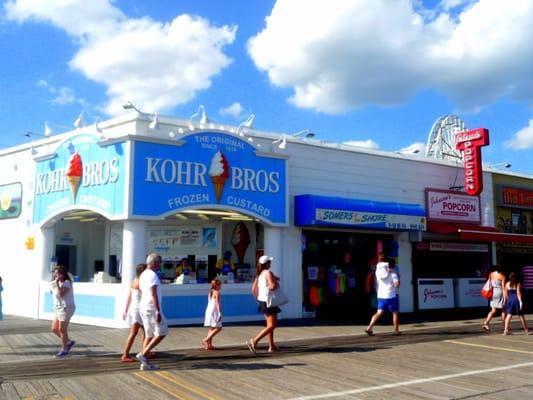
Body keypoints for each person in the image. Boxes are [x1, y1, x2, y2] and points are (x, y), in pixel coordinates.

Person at [136, 253, 168, 371]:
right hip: (151, 308)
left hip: (143, 307)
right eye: (159, 262)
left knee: (149, 335)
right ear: (155, 263)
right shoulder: (152, 275)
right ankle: (143, 354)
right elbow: (153, 293)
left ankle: (145, 363)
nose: (160, 265)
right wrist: (158, 311)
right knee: (162, 332)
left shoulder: (143, 274)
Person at [247, 255, 281, 354]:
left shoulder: (259, 274)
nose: (271, 263)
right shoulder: (268, 273)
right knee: (272, 325)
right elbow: (272, 286)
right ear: (267, 264)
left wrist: (258, 299)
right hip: (269, 301)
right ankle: (254, 341)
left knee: (269, 325)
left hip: (262, 301)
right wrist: (276, 283)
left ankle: (271, 346)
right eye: (269, 262)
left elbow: (253, 289)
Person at [365, 256, 401, 336]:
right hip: (391, 296)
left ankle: (369, 328)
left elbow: (377, 282)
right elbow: (397, 285)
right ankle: (396, 331)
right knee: (395, 313)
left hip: (381, 296)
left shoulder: (378, 271)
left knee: (379, 312)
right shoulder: (393, 273)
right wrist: (398, 279)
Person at [120, 263, 146, 363]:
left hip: (133, 308)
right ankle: (125, 354)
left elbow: (129, 297)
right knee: (135, 333)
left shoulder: (134, 281)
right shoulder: (141, 282)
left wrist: (126, 310)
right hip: (139, 309)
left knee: (145, 332)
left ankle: (145, 351)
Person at [50, 265, 76, 357]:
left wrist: (57, 284)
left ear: (62, 274)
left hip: (67, 308)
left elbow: (61, 294)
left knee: (62, 329)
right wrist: (54, 284)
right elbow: (52, 292)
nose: (55, 275)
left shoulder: (67, 282)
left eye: (57, 273)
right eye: (55, 273)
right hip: (58, 308)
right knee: (54, 328)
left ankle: (64, 350)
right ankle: (68, 342)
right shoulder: (54, 283)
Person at [482, 265, 506, 332]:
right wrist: (505, 297)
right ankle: (505, 326)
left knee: (493, 310)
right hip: (500, 292)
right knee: (503, 310)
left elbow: (489, 282)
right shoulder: (502, 276)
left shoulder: (491, 273)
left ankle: (486, 322)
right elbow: (503, 288)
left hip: (493, 293)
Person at [202, 278, 222, 350]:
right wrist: (219, 312)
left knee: (212, 328)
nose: (220, 287)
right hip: (214, 311)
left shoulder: (210, 292)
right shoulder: (217, 292)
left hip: (209, 311)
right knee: (219, 328)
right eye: (220, 285)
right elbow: (217, 303)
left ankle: (209, 345)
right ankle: (206, 340)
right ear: (216, 285)